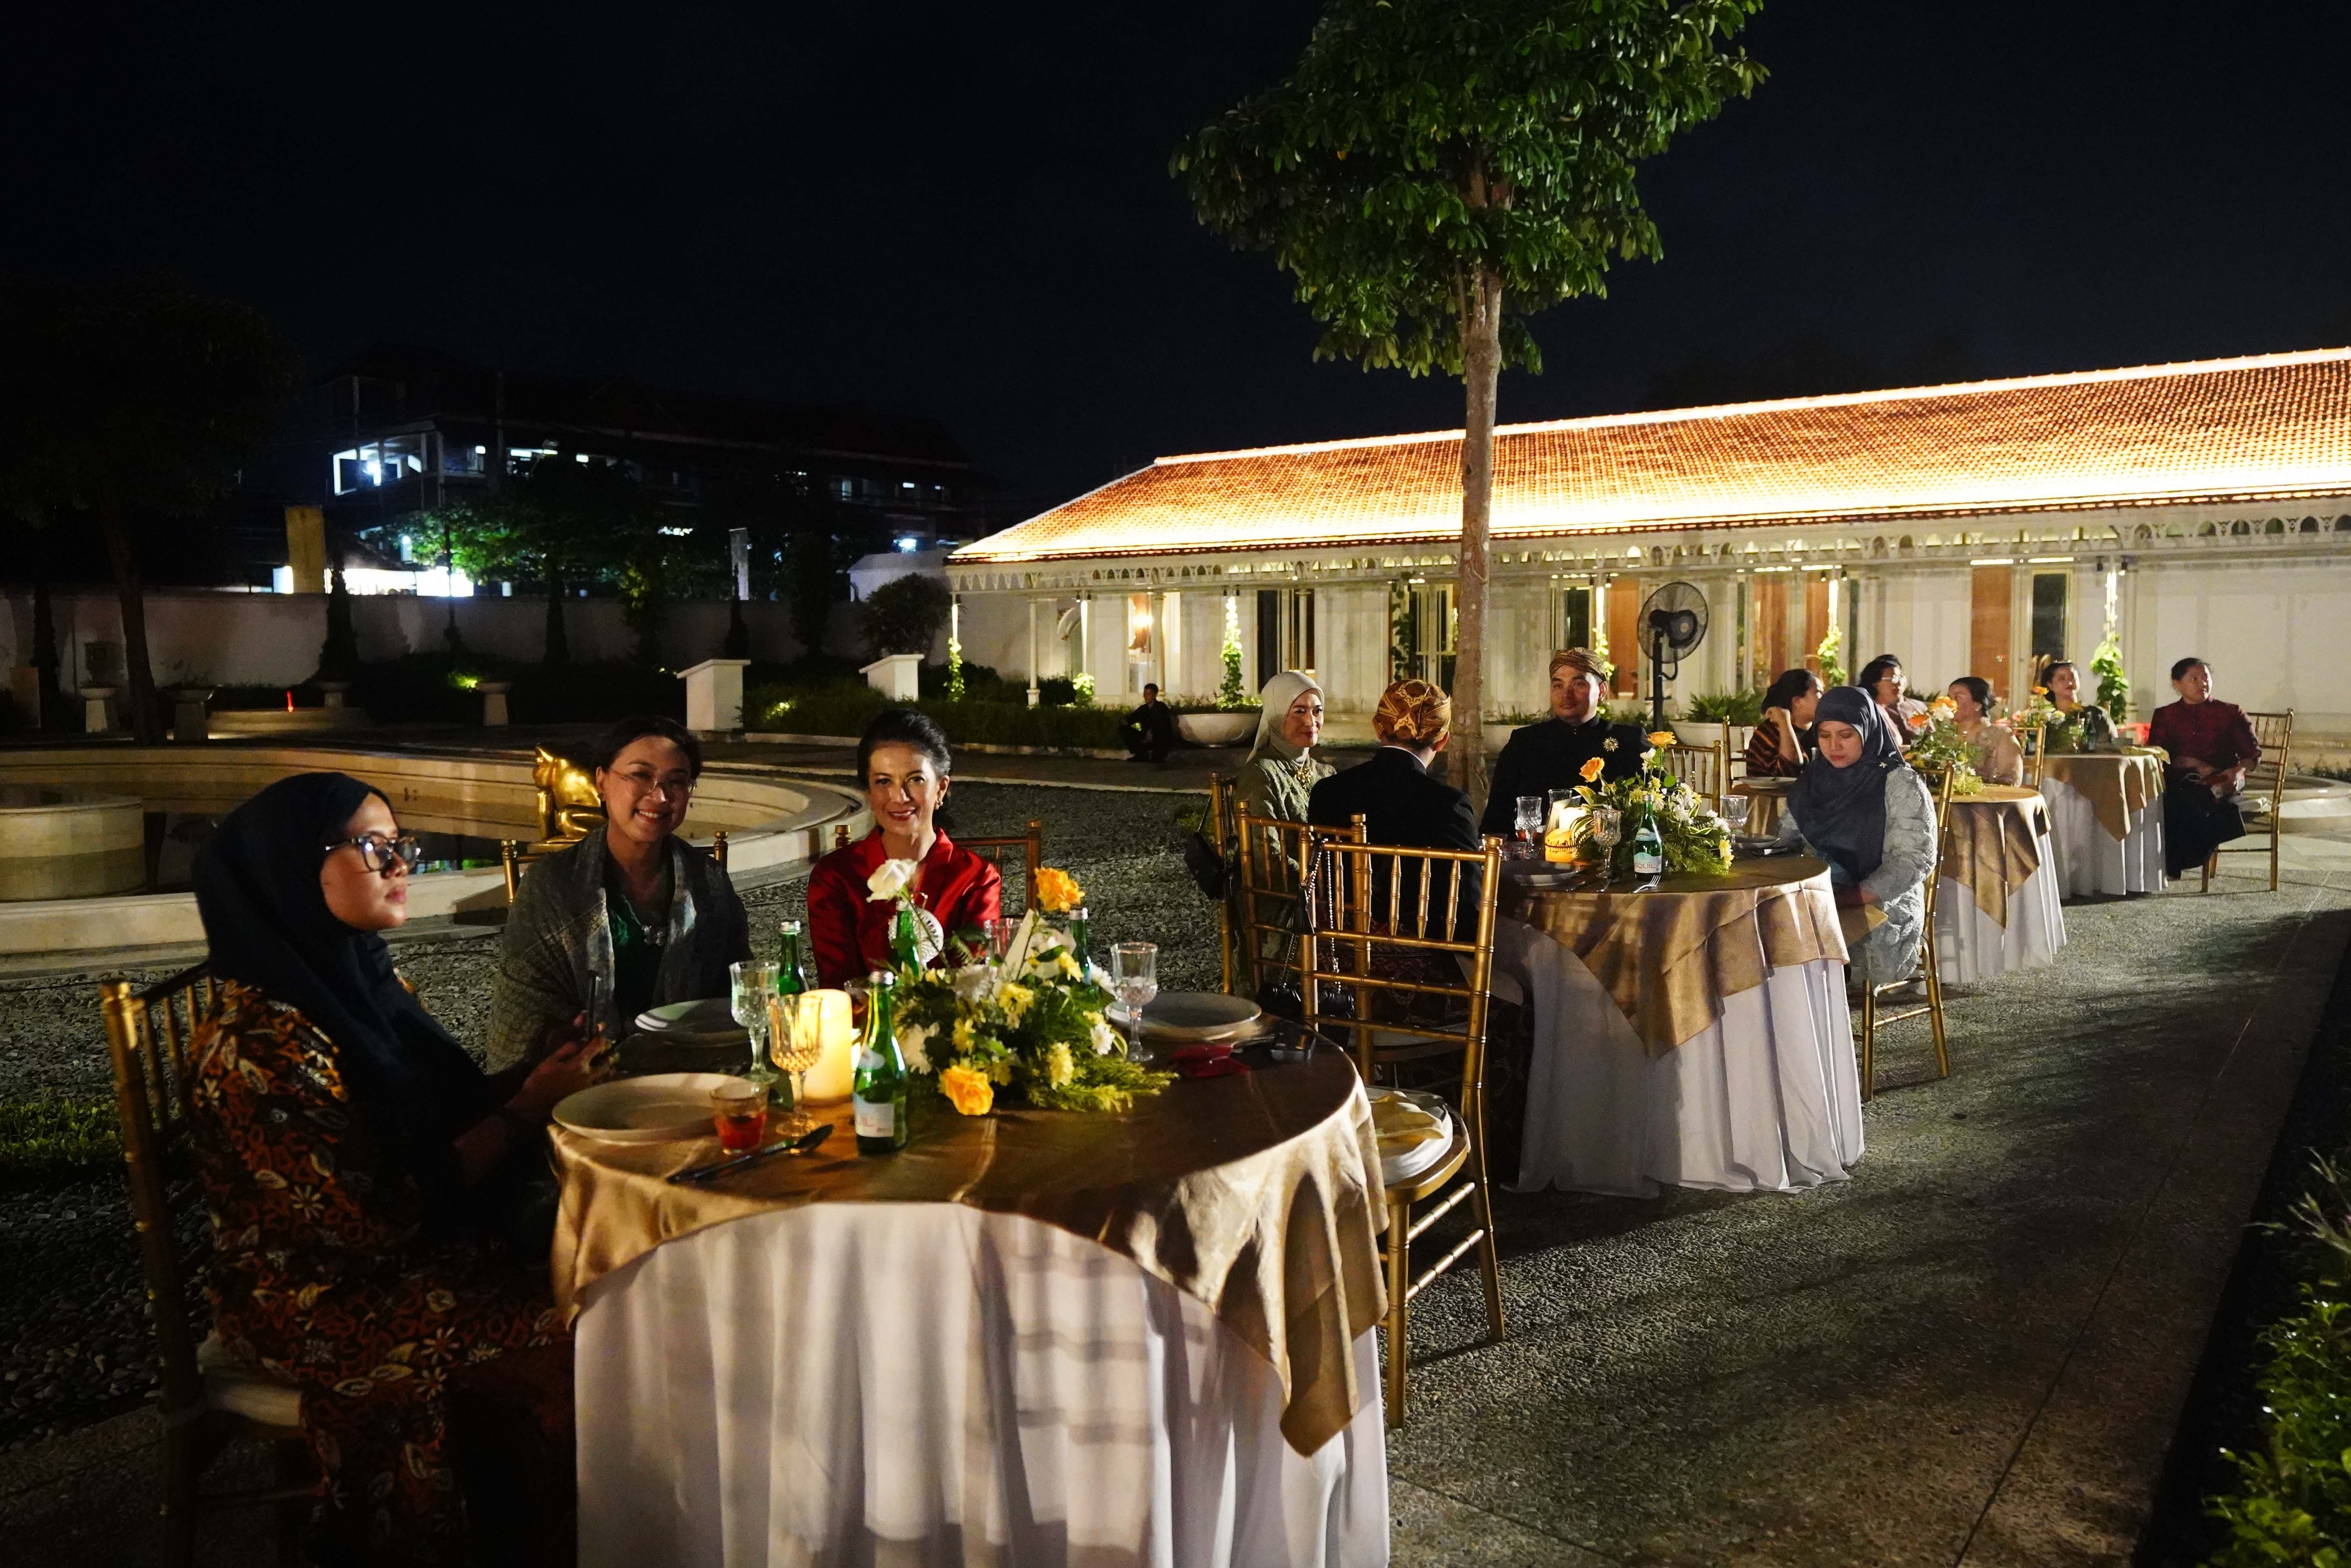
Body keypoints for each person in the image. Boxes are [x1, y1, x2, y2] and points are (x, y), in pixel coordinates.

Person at [186, 773, 606, 1562]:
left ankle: (553, 1522)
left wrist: (534, 1075)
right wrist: (522, 1112)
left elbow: (430, 1114)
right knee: (589, 1329)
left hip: (404, 1257)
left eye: (401, 845)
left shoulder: (358, 978)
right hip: (312, 1292)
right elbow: (373, 1221)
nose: (401, 864)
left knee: (613, 1287)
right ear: (289, 866)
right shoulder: (258, 1042)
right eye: (374, 847)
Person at [486, 716, 750, 1070]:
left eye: (677, 782)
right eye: (641, 776)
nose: (659, 796)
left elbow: (737, 989)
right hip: (582, 1082)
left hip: (693, 1074)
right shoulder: (554, 886)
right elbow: (525, 1009)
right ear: (601, 781)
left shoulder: (709, 882)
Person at [807, 707, 1003, 986]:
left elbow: (976, 982)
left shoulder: (976, 878)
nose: (899, 797)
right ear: (869, 793)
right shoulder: (836, 877)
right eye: (883, 781)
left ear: (941, 789)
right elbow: (840, 987)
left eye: (915, 780)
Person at [1776, 687, 1938, 992]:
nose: (1834, 746)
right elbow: (1788, 843)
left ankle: (1816, 1027)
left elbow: (1914, 861)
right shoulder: (1814, 779)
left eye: (1846, 735)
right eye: (1824, 735)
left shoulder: (1899, 783)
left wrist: (1850, 896)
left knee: (1794, 940)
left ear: (1868, 731)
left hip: (1881, 903)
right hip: (1820, 896)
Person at [1309, 678, 1482, 937]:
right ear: (1442, 740)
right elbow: (1467, 915)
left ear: (1379, 728)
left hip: (1333, 950)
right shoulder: (1449, 806)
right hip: (1419, 960)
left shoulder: (1327, 791)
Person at [1479, 648, 1653, 838]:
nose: (1566, 695)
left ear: (1601, 691)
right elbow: (1496, 817)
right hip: (1535, 860)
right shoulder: (1525, 742)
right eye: (1558, 686)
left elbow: (1659, 808)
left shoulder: (1629, 741)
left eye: (1578, 684)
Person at [2147, 656, 2262, 880]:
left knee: (2198, 802)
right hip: (2180, 781)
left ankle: (2176, 863)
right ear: (2177, 684)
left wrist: (2238, 771)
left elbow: (2252, 754)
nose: (2203, 684)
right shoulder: (2165, 715)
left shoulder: (2230, 713)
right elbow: (2158, 753)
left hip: (2222, 781)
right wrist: (2193, 764)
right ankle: (2172, 862)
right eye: (2194, 679)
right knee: (2172, 801)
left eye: (2206, 678)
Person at [1236, 670, 1332, 823]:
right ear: (1276, 716)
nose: (1311, 722)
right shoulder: (1261, 775)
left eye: (1318, 711)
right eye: (1300, 712)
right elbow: (1263, 843)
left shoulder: (1326, 774)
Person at [1745, 667, 1823, 778]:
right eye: (1819, 692)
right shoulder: (1769, 731)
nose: (1824, 698)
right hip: (1771, 795)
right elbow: (1788, 773)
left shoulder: (1821, 729)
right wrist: (1784, 722)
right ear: (1797, 701)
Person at [1946, 677, 2025, 786]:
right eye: (1949, 698)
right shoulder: (1944, 736)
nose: (1949, 703)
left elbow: (2012, 779)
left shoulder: (2002, 736)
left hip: (1988, 801)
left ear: (1978, 704)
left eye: (1958, 698)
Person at [2043, 659, 2119, 751]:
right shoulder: (2046, 719)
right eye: (2062, 679)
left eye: (2073, 677)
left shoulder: (2096, 715)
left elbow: (2111, 747)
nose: (2070, 683)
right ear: (2050, 685)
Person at [1857, 654, 1929, 741]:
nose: (1899, 684)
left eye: (1901, 677)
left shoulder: (1881, 709)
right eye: (1894, 679)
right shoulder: (1867, 711)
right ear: (1876, 683)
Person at [1120, 682, 1181, 763]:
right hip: (1145, 734)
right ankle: (1141, 754)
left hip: (1159, 737)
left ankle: (1158, 754)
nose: (1146, 697)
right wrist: (1125, 721)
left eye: (1149, 694)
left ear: (1155, 695)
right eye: (1145, 694)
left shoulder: (1161, 707)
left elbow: (1164, 725)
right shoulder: (1143, 709)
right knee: (1124, 730)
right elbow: (1131, 719)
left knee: (1156, 759)